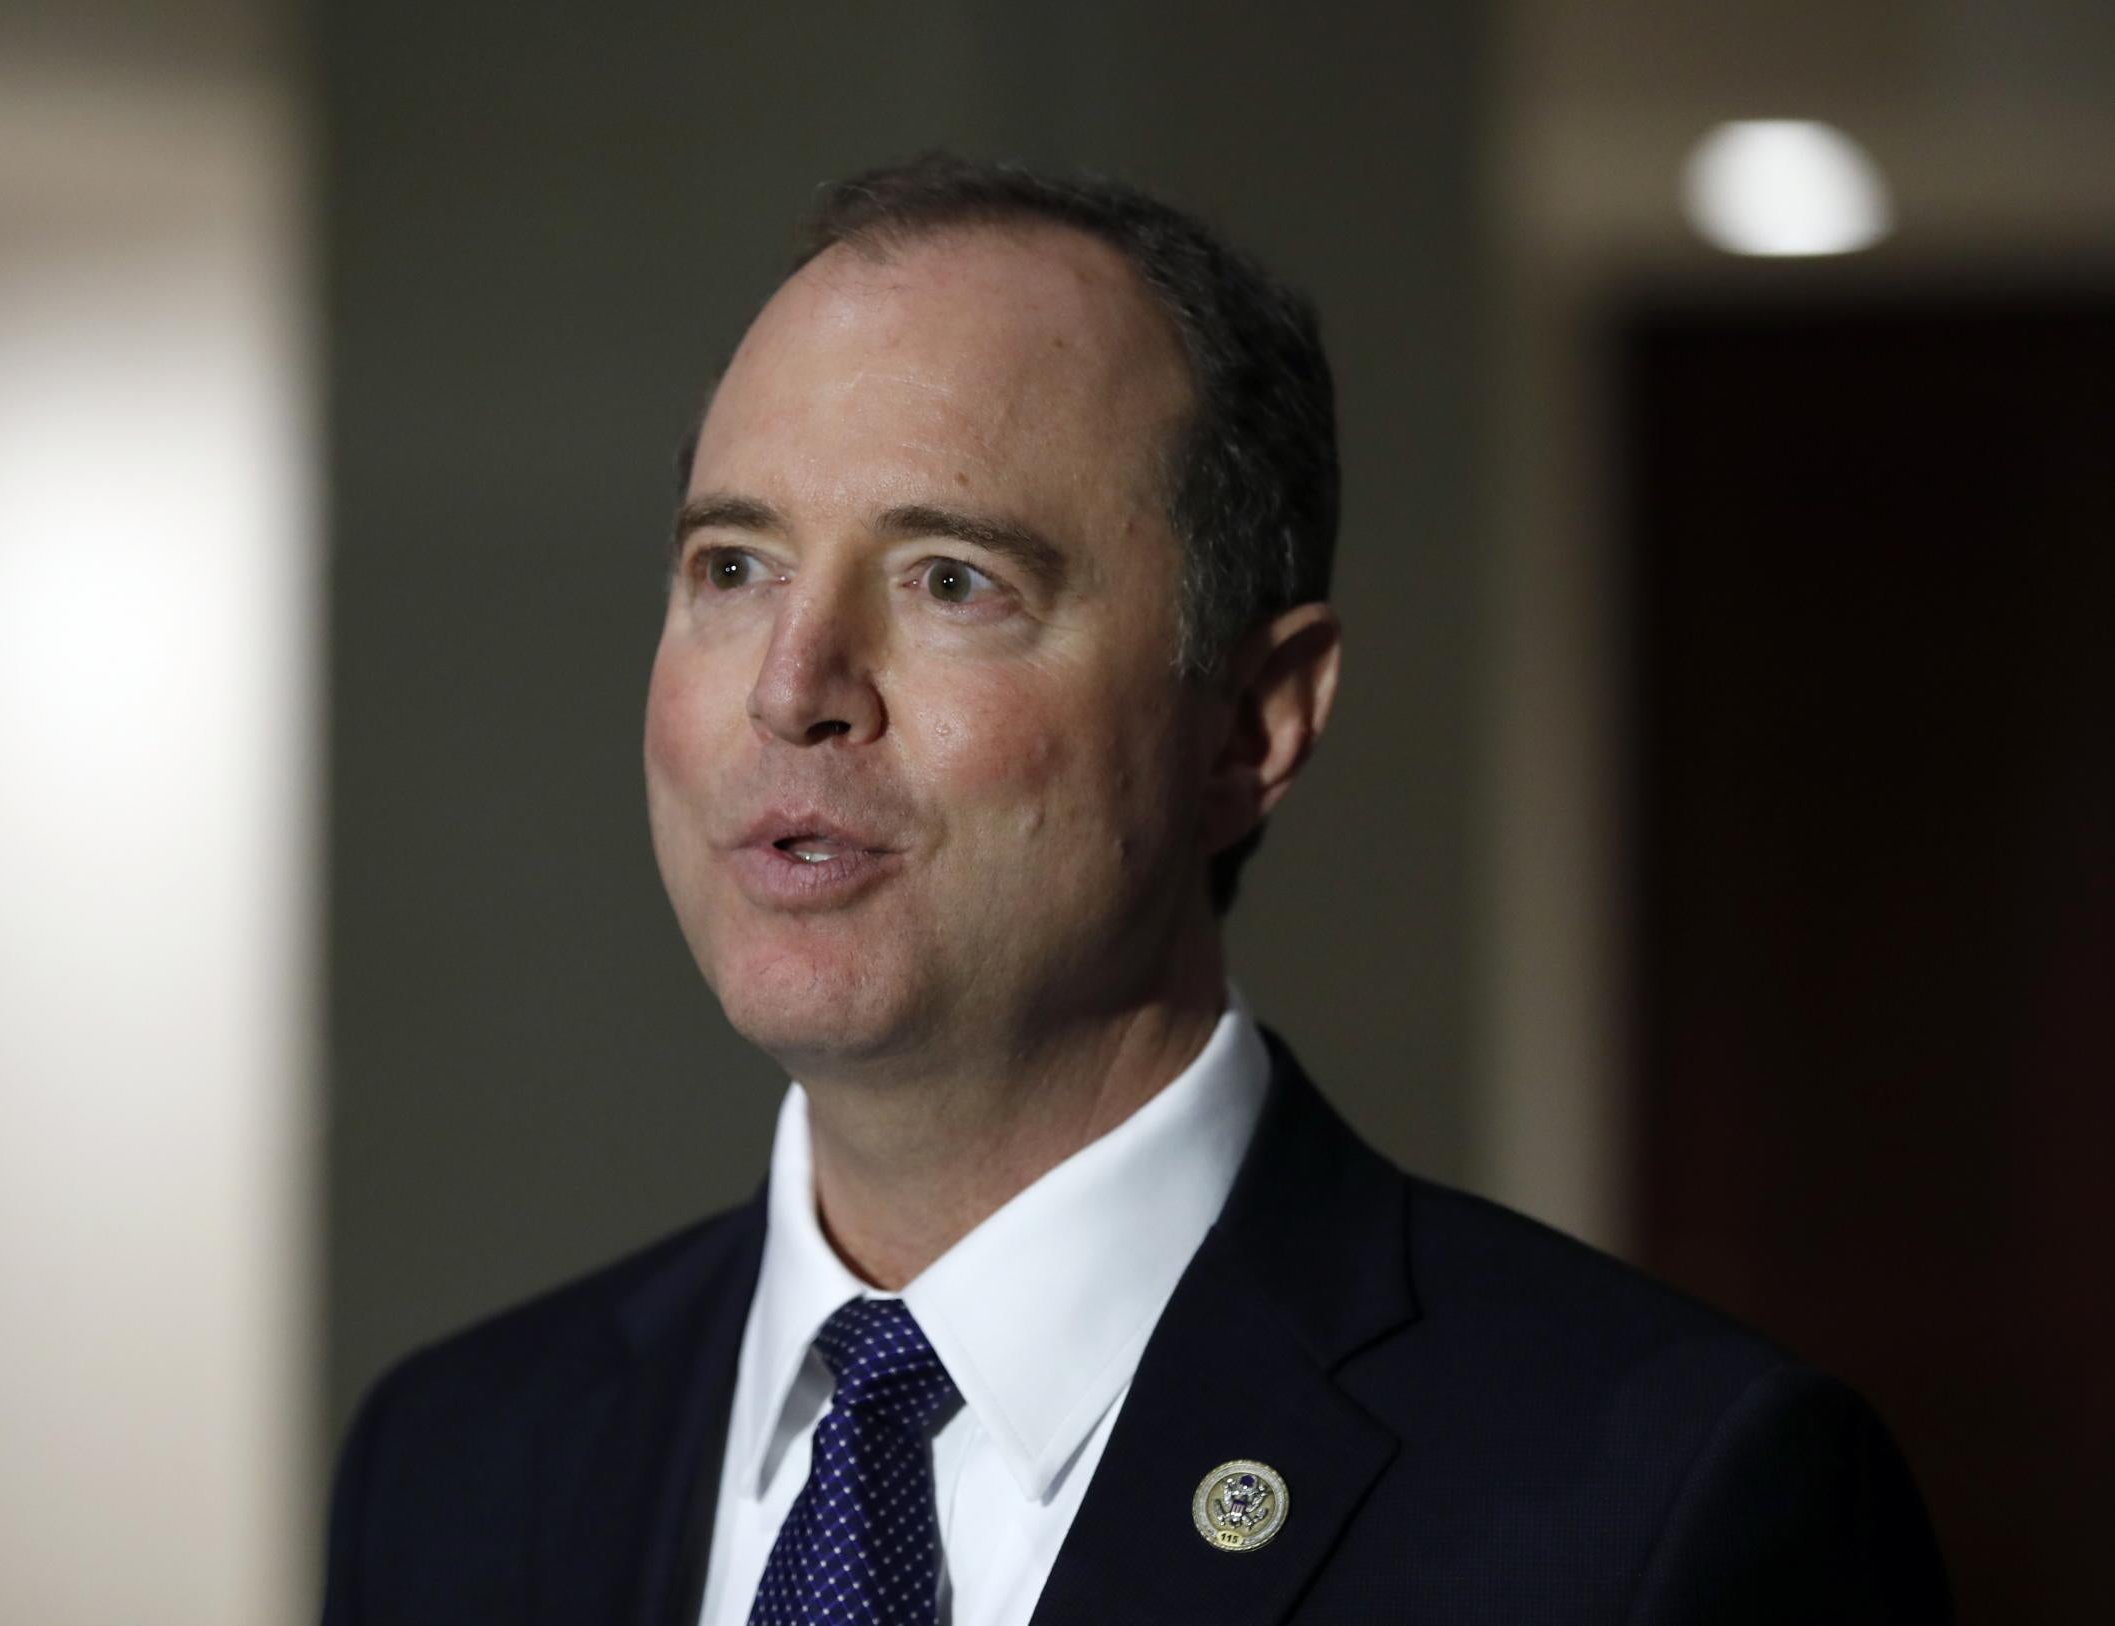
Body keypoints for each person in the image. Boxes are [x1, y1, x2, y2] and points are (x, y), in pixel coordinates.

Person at [318, 154, 1949, 1625]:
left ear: (1253, 720)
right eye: (733, 567)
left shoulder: (1660, 1505)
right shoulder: (462, 1464)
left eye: (953, 581)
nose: (793, 685)